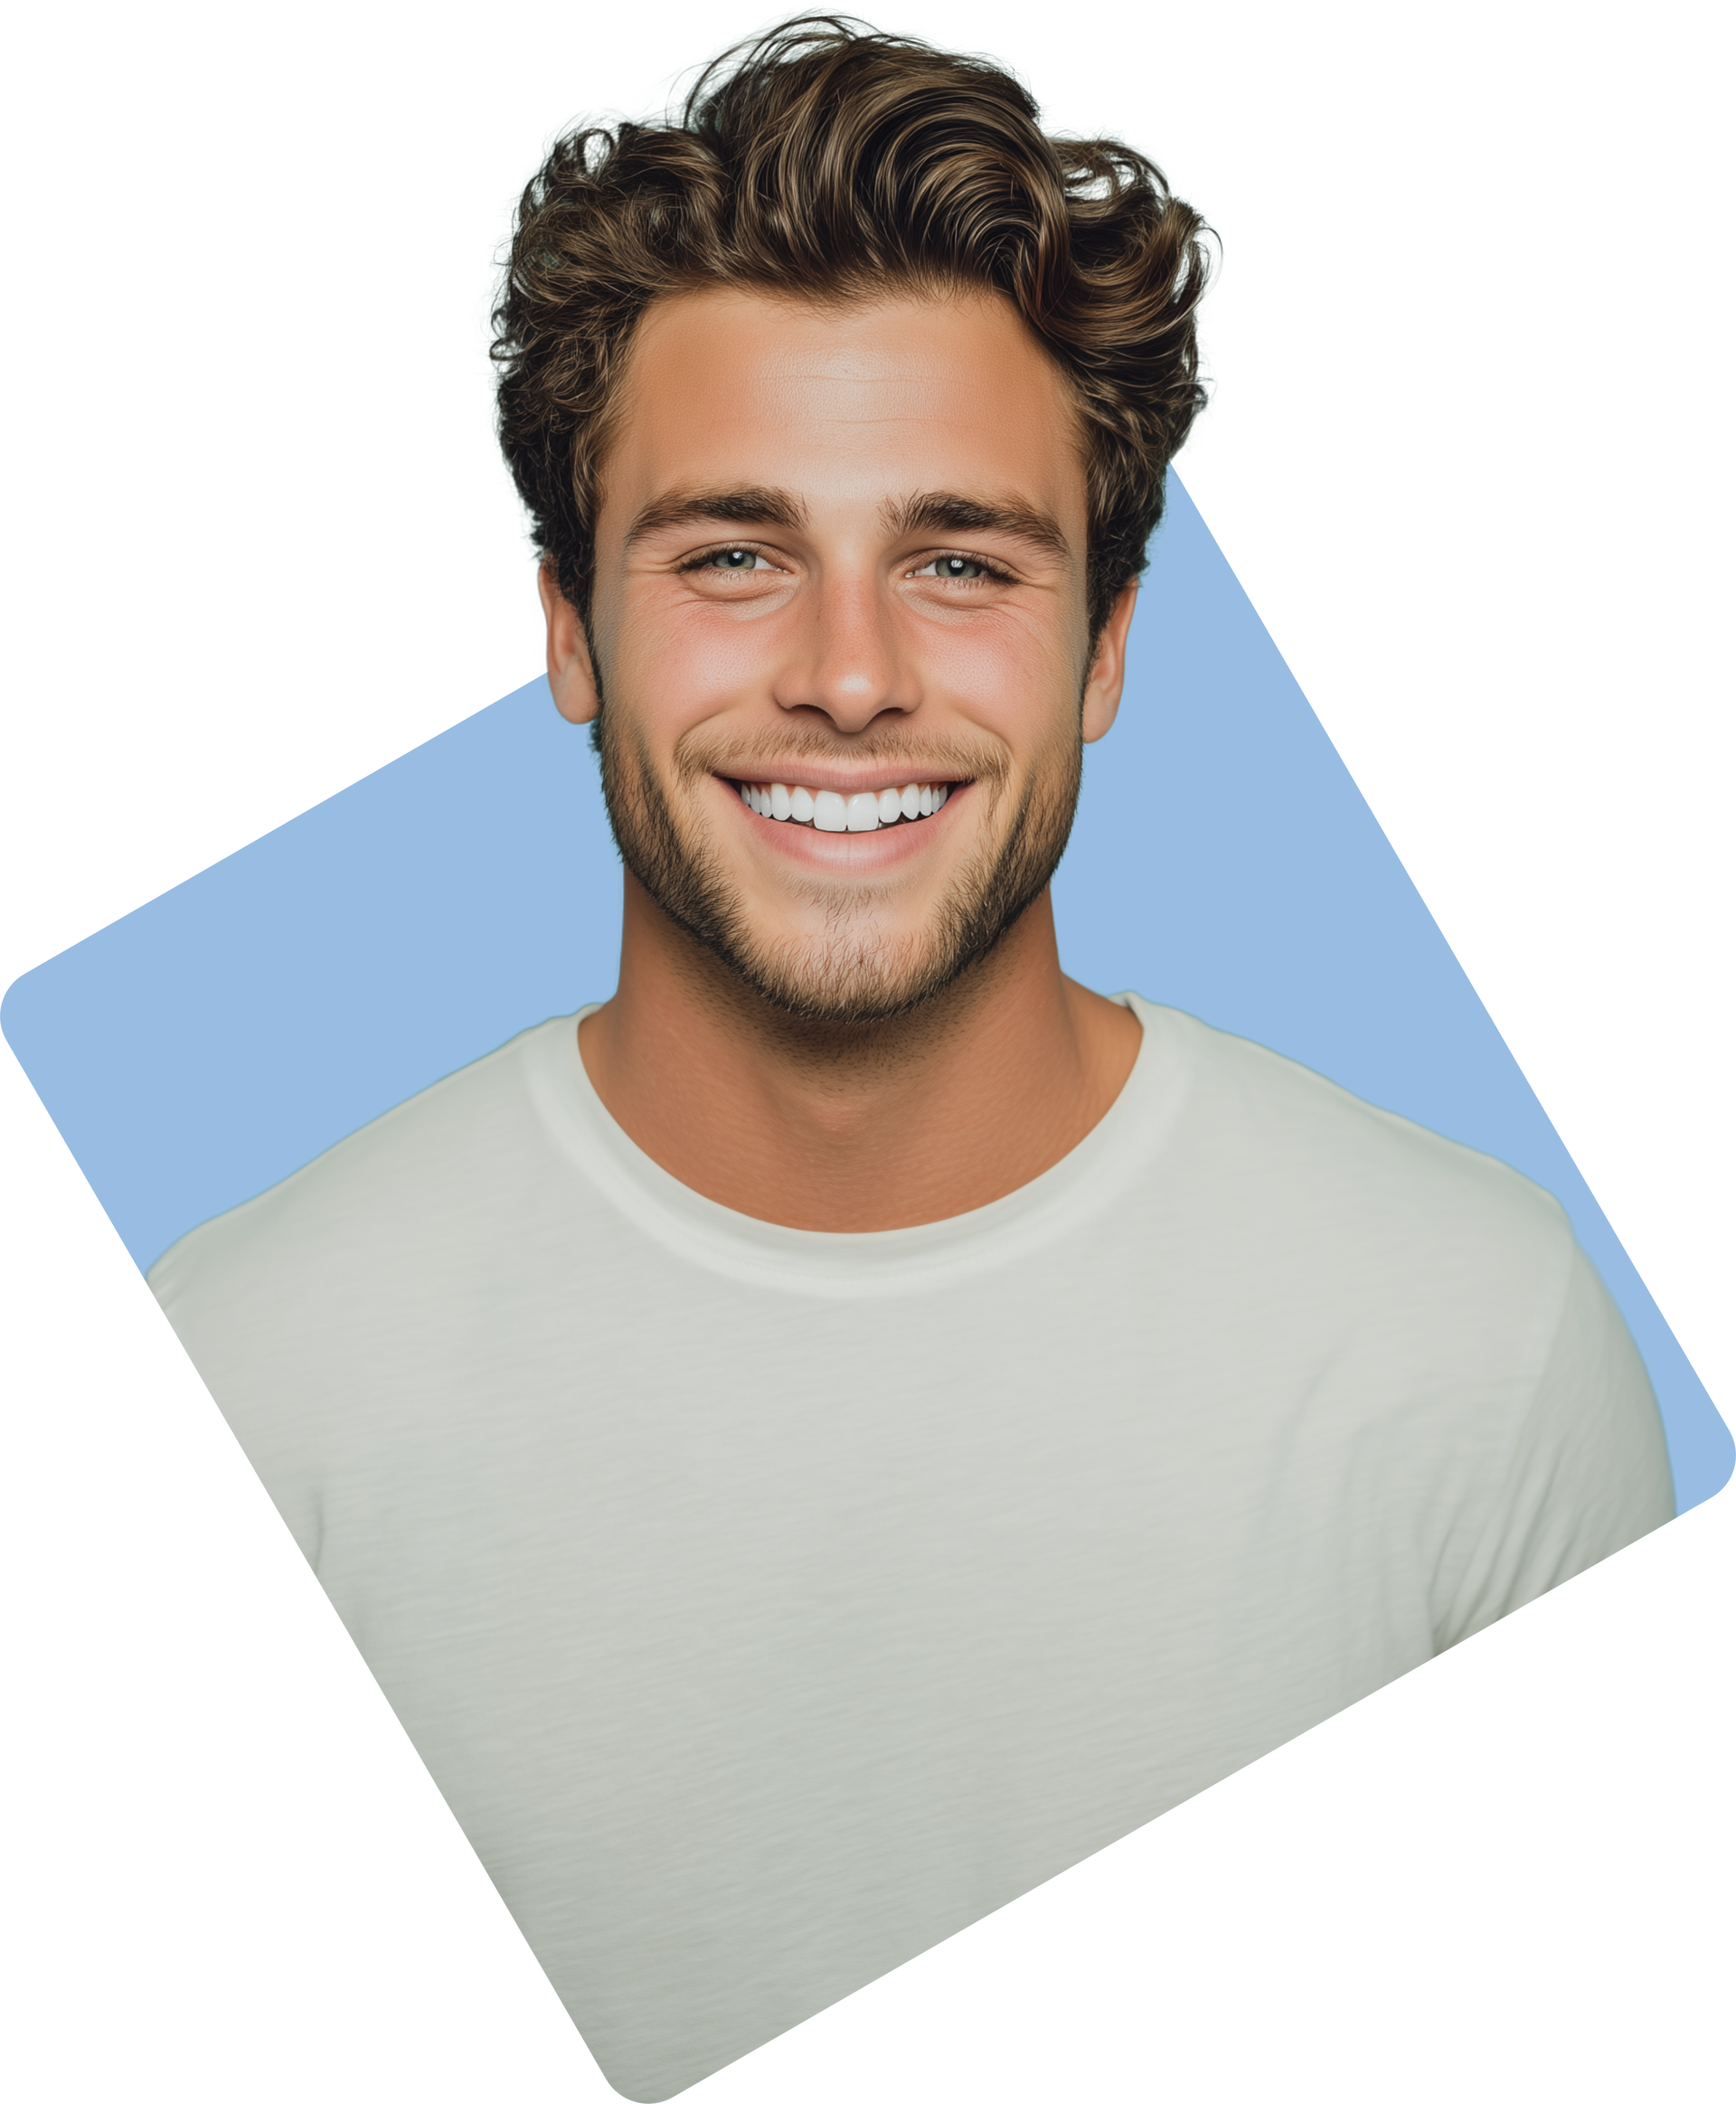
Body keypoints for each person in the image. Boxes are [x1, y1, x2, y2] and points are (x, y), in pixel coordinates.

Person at [145, 19, 1675, 2103]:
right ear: (566, 630)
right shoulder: (250, 1368)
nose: (849, 675)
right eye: (731, 553)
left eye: (960, 559)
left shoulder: (1476, 1338)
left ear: (1106, 648)